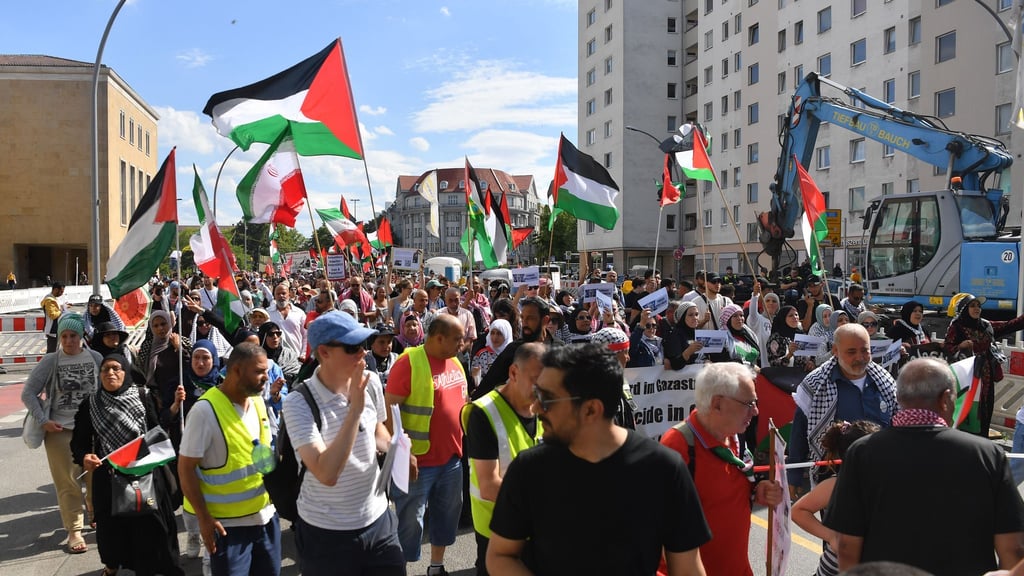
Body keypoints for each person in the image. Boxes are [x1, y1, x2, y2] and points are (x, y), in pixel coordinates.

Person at [486, 344, 710, 575]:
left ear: (591, 410)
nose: (535, 408)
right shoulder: (528, 470)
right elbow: (500, 555)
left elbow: (688, 569)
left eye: (546, 399)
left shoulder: (664, 469)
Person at [825, 358, 1024, 575]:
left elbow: (846, 544)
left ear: (899, 397)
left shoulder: (862, 452)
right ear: (946, 399)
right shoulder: (987, 454)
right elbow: (1013, 547)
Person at [284, 313, 406, 575]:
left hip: (379, 522)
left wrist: (398, 449)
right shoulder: (298, 402)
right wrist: (353, 411)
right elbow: (326, 473)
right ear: (324, 352)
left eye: (364, 344)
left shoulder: (369, 380)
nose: (363, 353)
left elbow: (376, 429)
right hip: (327, 535)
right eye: (352, 347)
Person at [659, 362, 783, 575]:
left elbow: (727, 488)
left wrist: (756, 491)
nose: (756, 411)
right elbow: (659, 534)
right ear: (717, 404)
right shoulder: (678, 446)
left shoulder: (734, 434)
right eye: (749, 403)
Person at [72, 354, 184, 576]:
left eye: (116, 369)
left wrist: (174, 407)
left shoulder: (142, 397)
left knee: (152, 526)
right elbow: (79, 440)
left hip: (146, 472)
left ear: (125, 372)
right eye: (105, 370)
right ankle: (113, 565)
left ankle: (157, 567)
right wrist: (85, 456)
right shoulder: (91, 403)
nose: (110, 373)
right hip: (110, 476)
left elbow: (155, 430)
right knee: (113, 531)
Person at [178, 343, 281, 576]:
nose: (266, 377)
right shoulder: (204, 411)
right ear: (235, 370)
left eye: (266, 371)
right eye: (259, 371)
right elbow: (185, 469)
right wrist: (203, 519)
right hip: (228, 529)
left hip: (265, 518)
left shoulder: (257, 402)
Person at [385, 314, 469, 575]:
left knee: (446, 517)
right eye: (457, 339)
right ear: (439, 337)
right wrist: (402, 449)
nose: (462, 343)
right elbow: (389, 411)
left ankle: (436, 566)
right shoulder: (409, 362)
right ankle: (402, 569)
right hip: (417, 463)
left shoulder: (454, 361)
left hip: (452, 459)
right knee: (410, 523)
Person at [21, 313, 102, 554]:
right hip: (60, 431)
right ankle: (74, 531)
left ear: (81, 337)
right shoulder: (51, 361)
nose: (68, 341)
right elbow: (28, 393)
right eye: (64, 336)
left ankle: (92, 509)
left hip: (93, 431)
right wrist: (44, 421)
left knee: (95, 479)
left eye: (73, 336)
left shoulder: (96, 358)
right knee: (68, 483)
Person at [461, 343, 545, 576]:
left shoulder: (544, 406)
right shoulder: (482, 412)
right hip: (497, 532)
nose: (542, 389)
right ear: (513, 373)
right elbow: (488, 486)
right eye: (536, 380)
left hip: (535, 531)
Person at [787, 324, 897, 498]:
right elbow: (800, 432)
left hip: (879, 475)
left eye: (865, 351)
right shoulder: (816, 385)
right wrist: (794, 476)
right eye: (851, 352)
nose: (860, 358)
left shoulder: (886, 383)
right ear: (835, 350)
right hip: (834, 478)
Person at [943, 293, 1024, 436]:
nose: (977, 309)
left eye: (978, 306)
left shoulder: (986, 326)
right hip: (966, 381)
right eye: (972, 306)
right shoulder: (957, 327)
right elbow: (947, 350)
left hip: (986, 379)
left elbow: (1010, 325)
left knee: (985, 412)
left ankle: (981, 446)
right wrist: (960, 346)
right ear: (963, 309)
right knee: (968, 414)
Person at [474, 297, 554, 400]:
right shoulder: (514, 350)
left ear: (545, 320)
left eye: (530, 318)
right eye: (523, 318)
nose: (525, 323)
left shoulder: (557, 348)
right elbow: (489, 383)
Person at [767, 305, 813, 370]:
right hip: (784, 377)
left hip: (802, 376)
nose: (795, 317)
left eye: (796, 315)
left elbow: (810, 358)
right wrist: (789, 355)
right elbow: (773, 364)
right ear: (783, 318)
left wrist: (810, 363)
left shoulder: (802, 335)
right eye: (790, 315)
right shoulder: (776, 338)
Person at [269, 282, 307, 359]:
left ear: (289, 294)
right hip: (274, 359)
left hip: (297, 358)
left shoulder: (299, 313)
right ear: (274, 296)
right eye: (278, 294)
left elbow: (306, 335)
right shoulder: (268, 313)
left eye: (283, 293)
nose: (281, 296)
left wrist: (304, 353)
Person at [662, 301, 705, 370]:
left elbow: (703, 356)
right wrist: (688, 352)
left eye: (696, 314)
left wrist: (707, 361)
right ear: (682, 317)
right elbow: (675, 364)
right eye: (690, 315)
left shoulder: (699, 333)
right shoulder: (674, 335)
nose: (695, 318)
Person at [472, 319, 512, 387]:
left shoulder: (512, 354)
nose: (495, 337)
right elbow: (475, 378)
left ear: (506, 335)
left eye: (499, 334)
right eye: (492, 333)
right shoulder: (481, 355)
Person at [41, 281, 70, 354]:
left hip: (55, 328)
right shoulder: (49, 300)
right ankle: (49, 365)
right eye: (61, 291)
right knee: (52, 352)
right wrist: (62, 310)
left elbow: (55, 310)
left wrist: (63, 306)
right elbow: (53, 315)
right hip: (52, 329)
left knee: (54, 351)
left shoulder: (52, 299)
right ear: (56, 289)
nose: (61, 294)